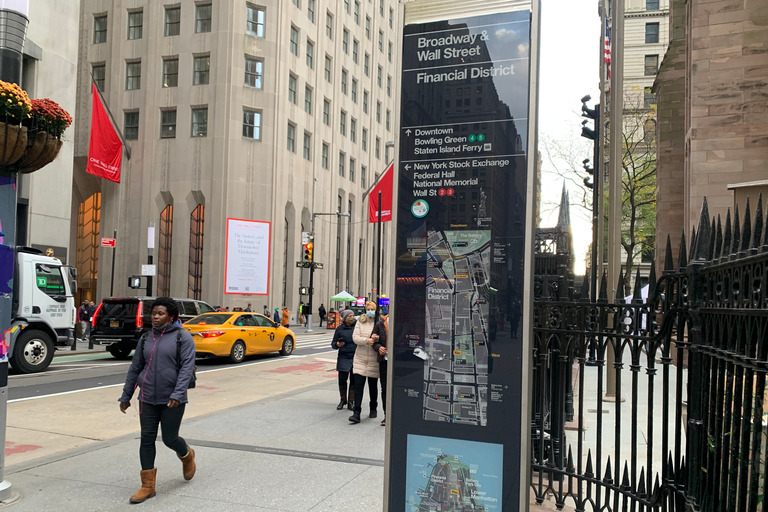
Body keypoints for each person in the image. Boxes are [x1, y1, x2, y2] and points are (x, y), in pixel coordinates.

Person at [118, 297, 196, 504]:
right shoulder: (145, 338)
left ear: (171, 317)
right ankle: (147, 486)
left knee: (170, 438)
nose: (155, 317)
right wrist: (126, 396)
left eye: (160, 314)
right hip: (147, 398)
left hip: (172, 399)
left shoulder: (183, 338)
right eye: (153, 313)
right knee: (146, 439)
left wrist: (177, 394)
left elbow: (186, 369)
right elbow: (135, 368)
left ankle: (186, 454)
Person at [349, 301, 380, 424]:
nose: (370, 310)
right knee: (358, 385)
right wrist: (366, 340)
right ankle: (357, 412)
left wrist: (377, 339)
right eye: (369, 308)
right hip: (360, 358)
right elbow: (355, 338)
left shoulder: (379, 323)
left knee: (373, 386)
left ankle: (373, 407)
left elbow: (384, 337)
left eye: (373, 308)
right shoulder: (360, 322)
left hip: (373, 358)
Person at [332, 310, 357, 410]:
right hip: (344, 357)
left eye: (353, 315)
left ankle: (351, 401)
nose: (352, 317)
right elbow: (333, 344)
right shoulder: (339, 329)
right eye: (349, 316)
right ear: (344, 318)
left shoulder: (357, 327)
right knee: (342, 380)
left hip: (356, 357)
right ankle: (343, 400)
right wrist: (337, 344)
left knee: (354, 381)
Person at [371, 313, 389, 426]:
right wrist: (378, 348)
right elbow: (374, 341)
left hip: (400, 361)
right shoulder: (380, 323)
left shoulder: (404, 321)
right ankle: (387, 415)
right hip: (385, 361)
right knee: (385, 388)